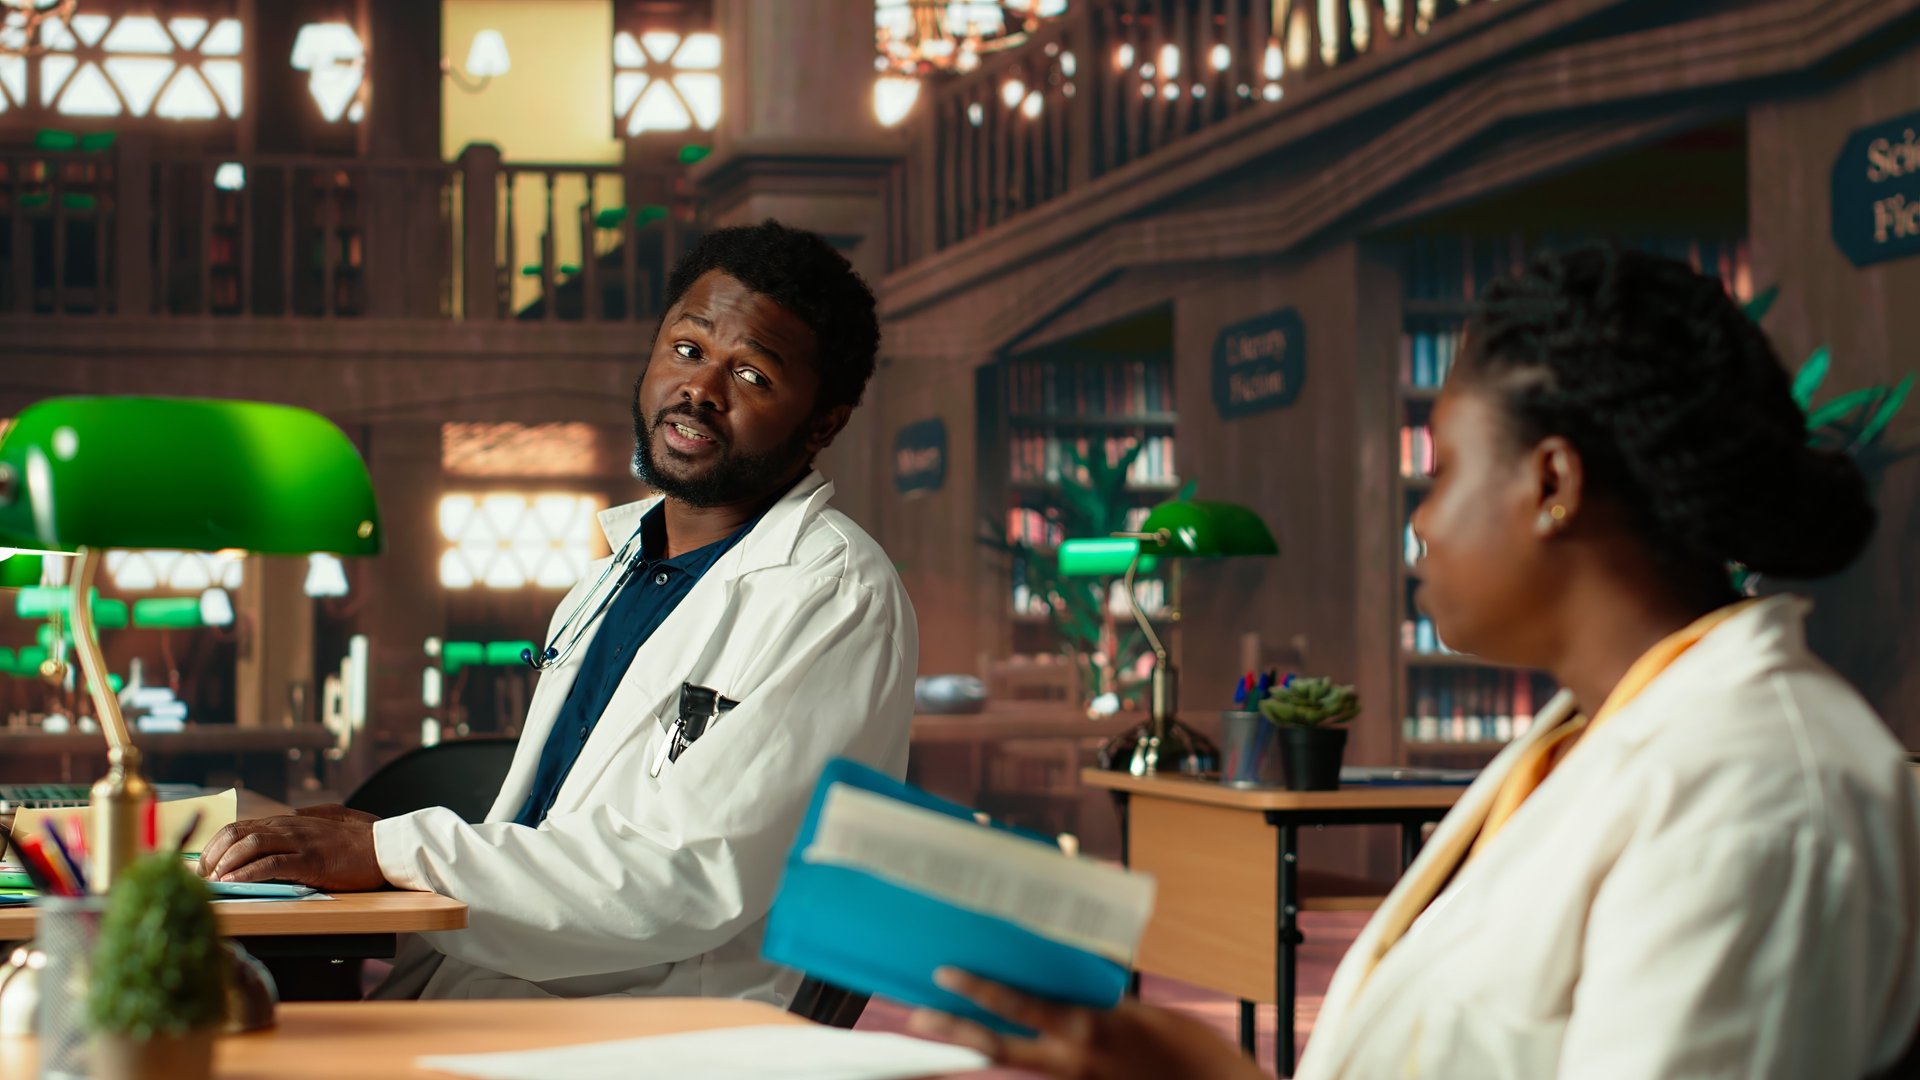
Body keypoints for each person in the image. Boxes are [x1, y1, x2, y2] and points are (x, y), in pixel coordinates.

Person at [911, 247, 1920, 1078]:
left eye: (1439, 475)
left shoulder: (1761, 793)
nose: (1422, 528)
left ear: (1552, 481)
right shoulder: (1586, 738)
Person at [198, 220, 919, 1003]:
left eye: (752, 375)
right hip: (505, 982)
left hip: (651, 1025)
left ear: (824, 422)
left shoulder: (832, 594)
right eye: (687, 349)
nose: (700, 390)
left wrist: (391, 849)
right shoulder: (609, 579)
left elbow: (685, 879)